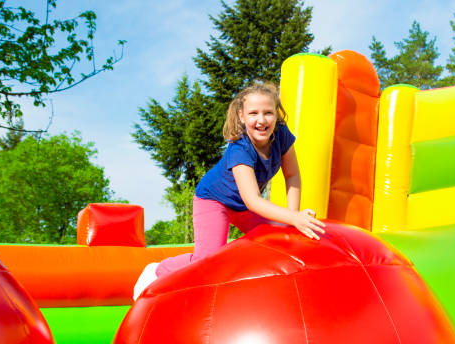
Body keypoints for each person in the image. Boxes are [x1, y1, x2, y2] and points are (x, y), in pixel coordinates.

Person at [133, 81, 326, 300]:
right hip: (214, 200)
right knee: (208, 260)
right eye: (253, 113)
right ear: (242, 117)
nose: (261, 120)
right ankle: (157, 270)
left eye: (268, 113)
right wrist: (292, 216)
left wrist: (293, 220)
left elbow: (292, 175)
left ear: (277, 115)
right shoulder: (240, 148)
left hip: (242, 205)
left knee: (276, 238)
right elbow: (253, 200)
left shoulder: (281, 135)